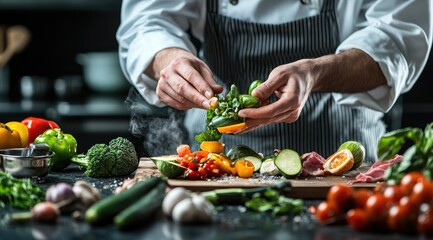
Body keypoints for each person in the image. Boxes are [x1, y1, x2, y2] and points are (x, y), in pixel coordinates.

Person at [116, 0, 432, 162]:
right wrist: (168, 59)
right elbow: (147, 19)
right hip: (215, 156)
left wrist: (316, 73)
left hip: (341, 152)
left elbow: (399, 37)